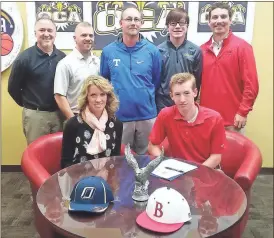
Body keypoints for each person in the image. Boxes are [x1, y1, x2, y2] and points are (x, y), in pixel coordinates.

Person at [100, 7, 162, 155]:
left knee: (147, 160)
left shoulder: (152, 51)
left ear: (141, 23)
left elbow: (156, 80)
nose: (133, 23)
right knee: (120, 161)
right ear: (121, 23)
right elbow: (104, 83)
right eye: (128, 19)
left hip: (147, 116)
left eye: (136, 19)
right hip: (119, 116)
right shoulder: (108, 51)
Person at [200, 2, 259, 134]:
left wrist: (243, 112)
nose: (219, 21)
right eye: (214, 17)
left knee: (233, 155)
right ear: (209, 22)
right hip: (206, 121)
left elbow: (252, 85)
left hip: (233, 121)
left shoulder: (243, 47)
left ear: (230, 20)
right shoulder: (202, 50)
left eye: (223, 17)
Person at [8, 15, 66, 145]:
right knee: (36, 154)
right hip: (36, 116)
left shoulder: (63, 58)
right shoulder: (24, 58)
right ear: (35, 33)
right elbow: (13, 88)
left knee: (58, 154)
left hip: (59, 114)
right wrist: (30, 105)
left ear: (55, 33)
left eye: (50, 30)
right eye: (42, 30)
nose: (46, 34)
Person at [148, 73, 226, 169]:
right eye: (177, 94)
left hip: (206, 170)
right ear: (171, 96)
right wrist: (165, 163)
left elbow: (216, 157)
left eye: (186, 93)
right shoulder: (165, 115)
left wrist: (195, 173)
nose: (182, 99)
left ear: (195, 92)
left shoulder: (214, 119)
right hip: (177, 171)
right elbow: (152, 146)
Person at [61, 75, 123, 169]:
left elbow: (116, 160)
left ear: (108, 97)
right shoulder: (72, 125)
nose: (98, 100)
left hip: (106, 177)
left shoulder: (116, 124)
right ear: (86, 98)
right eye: (93, 95)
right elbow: (66, 162)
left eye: (102, 94)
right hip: (79, 178)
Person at [156, 8, 202, 113]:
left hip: (187, 103)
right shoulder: (158, 51)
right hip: (163, 105)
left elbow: (197, 81)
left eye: (181, 23)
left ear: (187, 26)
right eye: (173, 23)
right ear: (168, 27)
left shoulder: (195, 50)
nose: (177, 27)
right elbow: (156, 80)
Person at [54, 22, 100, 120]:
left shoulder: (98, 62)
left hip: (96, 116)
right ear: (75, 38)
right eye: (83, 35)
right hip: (76, 115)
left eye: (90, 35)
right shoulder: (65, 64)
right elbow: (59, 96)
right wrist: (73, 121)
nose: (88, 38)